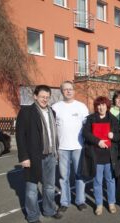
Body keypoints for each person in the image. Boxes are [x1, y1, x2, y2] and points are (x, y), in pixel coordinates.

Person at [16, 85, 62, 223]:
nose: (45, 99)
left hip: (50, 155)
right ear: (35, 96)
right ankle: (33, 216)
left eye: (47, 97)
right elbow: (20, 136)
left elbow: (53, 134)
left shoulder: (51, 112)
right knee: (31, 189)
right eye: (42, 96)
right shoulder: (26, 112)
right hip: (33, 156)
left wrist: (56, 152)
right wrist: (24, 157)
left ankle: (49, 210)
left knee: (49, 186)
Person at [52, 81, 89, 213]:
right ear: (61, 91)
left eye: (70, 89)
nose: (68, 91)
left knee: (79, 175)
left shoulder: (81, 107)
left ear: (74, 91)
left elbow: (88, 127)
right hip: (62, 148)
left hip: (78, 147)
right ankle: (64, 201)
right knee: (63, 177)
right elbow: (52, 129)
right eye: (65, 89)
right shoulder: (55, 107)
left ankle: (80, 200)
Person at [82, 96, 120, 215]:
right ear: (96, 107)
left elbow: (119, 137)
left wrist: (112, 136)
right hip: (96, 155)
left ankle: (111, 203)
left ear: (107, 106)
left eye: (103, 105)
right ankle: (99, 204)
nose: (101, 107)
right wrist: (98, 141)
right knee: (97, 181)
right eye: (98, 105)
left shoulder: (113, 119)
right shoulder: (91, 119)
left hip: (109, 156)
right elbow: (86, 134)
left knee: (110, 180)